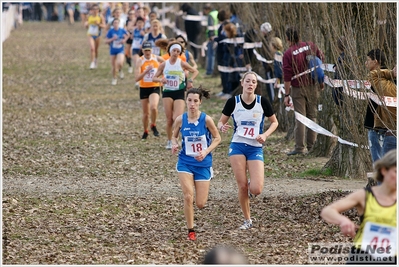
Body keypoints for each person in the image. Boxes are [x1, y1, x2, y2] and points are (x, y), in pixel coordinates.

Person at [217, 71, 279, 229]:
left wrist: (265, 135)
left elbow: (274, 122)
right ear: (242, 83)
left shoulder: (262, 102)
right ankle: (247, 220)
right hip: (237, 145)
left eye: (254, 82)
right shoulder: (233, 102)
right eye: (248, 81)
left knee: (256, 189)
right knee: (242, 186)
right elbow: (220, 122)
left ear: (256, 86)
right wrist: (222, 126)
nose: (251, 84)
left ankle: (253, 186)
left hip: (255, 147)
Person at [320, 149, 396, 264]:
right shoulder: (365, 195)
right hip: (363, 256)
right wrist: (343, 221)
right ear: (384, 170)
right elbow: (328, 211)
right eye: (396, 172)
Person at [171, 86, 221, 241]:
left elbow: (218, 138)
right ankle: (190, 230)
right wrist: (174, 143)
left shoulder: (206, 119)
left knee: (200, 204)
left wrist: (205, 152)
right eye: (189, 100)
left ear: (200, 102)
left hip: (203, 164)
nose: (192, 104)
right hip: (185, 162)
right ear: (186, 101)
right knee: (188, 196)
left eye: (195, 101)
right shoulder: (180, 119)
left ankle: (207, 177)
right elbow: (173, 136)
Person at [283, 26, 325, 155]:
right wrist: (321, 81)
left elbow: (287, 77)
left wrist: (287, 94)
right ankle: (312, 146)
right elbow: (320, 60)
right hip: (312, 86)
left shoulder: (288, 54)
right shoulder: (310, 45)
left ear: (288, 38)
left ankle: (299, 148)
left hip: (297, 89)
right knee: (312, 116)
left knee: (300, 118)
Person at [152, 41, 199, 150]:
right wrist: (160, 80)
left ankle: (177, 139)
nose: (176, 53)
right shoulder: (164, 64)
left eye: (178, 51)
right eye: (174, 50)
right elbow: (154, 78)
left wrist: (190, 80)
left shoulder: (181, 63)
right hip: (167, 92)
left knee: (178, 118)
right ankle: (169, 141)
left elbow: (195, 71)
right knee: (169, 119)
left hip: (179, 92)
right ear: (170, 51)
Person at [366, 49, 397, 159]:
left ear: (375, 62)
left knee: (382, 165)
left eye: (368, 60)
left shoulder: (383, 82)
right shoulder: (389, 82)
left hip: (385, 128)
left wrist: (390, 73)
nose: (366, 63)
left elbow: (372, 75)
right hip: (384, 126)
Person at [134, 41, 165, 140]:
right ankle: (145, 130)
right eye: (145, 50)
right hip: (143, 88)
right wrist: (146, 71)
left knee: (153, 107)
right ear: (142, 50)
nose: (147, 52)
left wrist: (162, 73)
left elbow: (167, 63)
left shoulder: (156, 58)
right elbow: (137, 78)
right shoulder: (140, 61)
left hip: (155, 86)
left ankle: (153, 124)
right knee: (146, 113)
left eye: (149, 50)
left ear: (152, 50)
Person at [105, 18, 129, 85]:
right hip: (112, 50)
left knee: (120, 62)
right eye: (114, 23)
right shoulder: (110, 31)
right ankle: (114, 78)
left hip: (120, 49)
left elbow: (128, 35)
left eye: (117, 23)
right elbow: (106, 41)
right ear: (113, 24)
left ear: (119, 23)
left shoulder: (122, 30)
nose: (116, 24)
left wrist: (124, 40)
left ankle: (120, 70)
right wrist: (112, 39)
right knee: (113, 66)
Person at [85, 4, 105, 70]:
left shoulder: (100, 16)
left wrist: (98, 24)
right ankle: (92, 62)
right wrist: (86, 25)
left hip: (97, 35)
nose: (95, 11)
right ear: (91, 10)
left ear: (98, 10)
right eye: (93, 9)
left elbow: (104, 26)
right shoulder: (89, 16)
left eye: (96, 9)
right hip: (90, 34)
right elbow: (86, 24)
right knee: (92, 48)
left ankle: (96, 60)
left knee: (96, 49)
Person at [203, 4, 218, 77]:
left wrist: (210, 36)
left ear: (207, 9)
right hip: (218, 36)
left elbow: (211, 27)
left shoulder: (210, 15)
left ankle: (209, 71)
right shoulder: (217, 13)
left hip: (212, 37)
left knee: (210, 55)